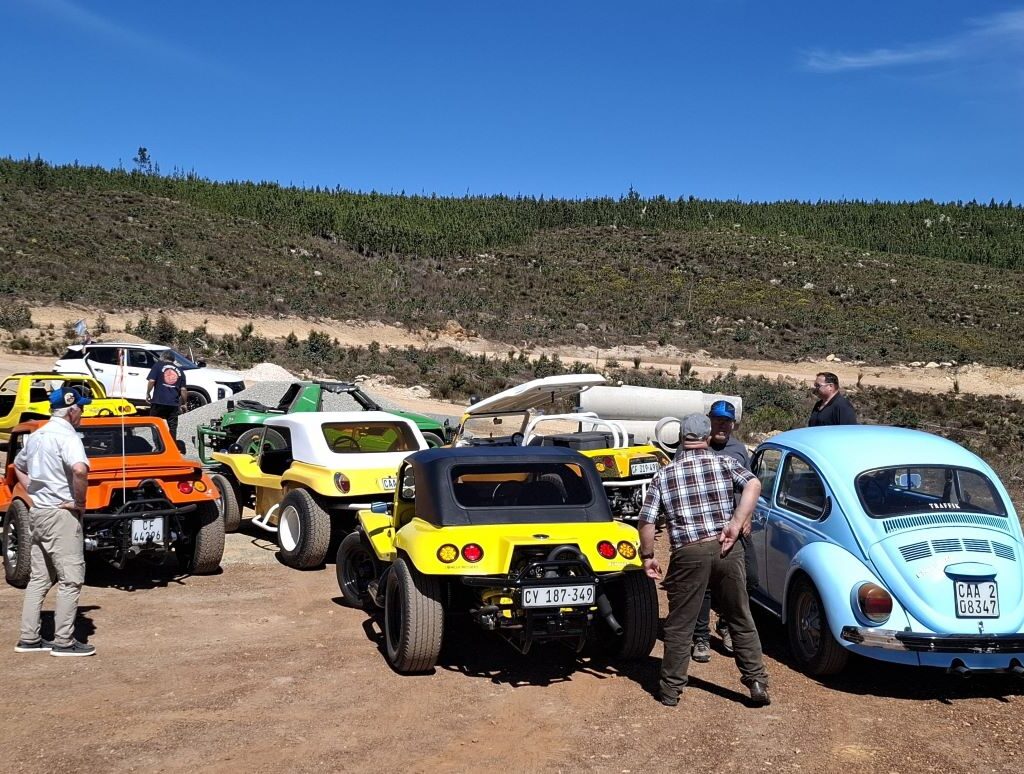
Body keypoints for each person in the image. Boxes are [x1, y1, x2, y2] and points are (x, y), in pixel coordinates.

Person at [639, 413, 769, 707]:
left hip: (689, 552)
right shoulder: (724, 462)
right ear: (707, 436)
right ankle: (756, 681)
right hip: (727, 548)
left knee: (680, 624)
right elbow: (753, 485)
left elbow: (646, 521)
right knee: (739, 616)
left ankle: (671, 690)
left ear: (681, 438)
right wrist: (736, 522)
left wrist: (648, 556)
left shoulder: (664, 475)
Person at [14, 387, 95, 657]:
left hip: (39, 512)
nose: (82, 413)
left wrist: (34, 491)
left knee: (39, 579)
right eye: (81, 408)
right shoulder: (68, 437)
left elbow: (18, 466)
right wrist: (79, 503)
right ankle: (64, 641)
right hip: (62, 515)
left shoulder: (37, 435)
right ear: (71, 411)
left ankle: (29, 638)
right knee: (71, 579)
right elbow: (80, 470)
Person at [681, 400, 758, 663]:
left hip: (737, 526)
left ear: (733, 423)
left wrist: (746, 517)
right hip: (704, 528)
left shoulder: (739, 450)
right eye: (717, 420)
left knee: (749, 579)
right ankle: (700, 636)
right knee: (703, 584)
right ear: (709, 421)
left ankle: (725, 623)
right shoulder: (692, 448)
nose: (722, 425)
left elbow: (750, 485)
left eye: (727, 421)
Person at [147, 350, 187, 438]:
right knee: (172, 427)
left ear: (163, 357)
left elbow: (152, 381)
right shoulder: (180, 371)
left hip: (158, 401)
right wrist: (184, 403)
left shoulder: (157, 366)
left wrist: (148, 393)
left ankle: (158, 444)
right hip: (173, 403)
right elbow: (183, 389)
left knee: (154, 424)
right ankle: (172, 443)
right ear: (173, 359)